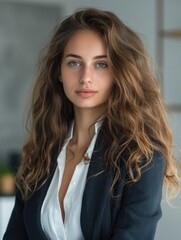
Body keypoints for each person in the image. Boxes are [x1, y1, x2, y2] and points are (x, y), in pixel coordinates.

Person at [3, 7, 180, 240]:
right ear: (59, 72)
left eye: (101, 64)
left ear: (119, 73)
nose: (85, 77)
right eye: (74, 63)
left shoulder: (142, 157)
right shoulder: (40, 152)